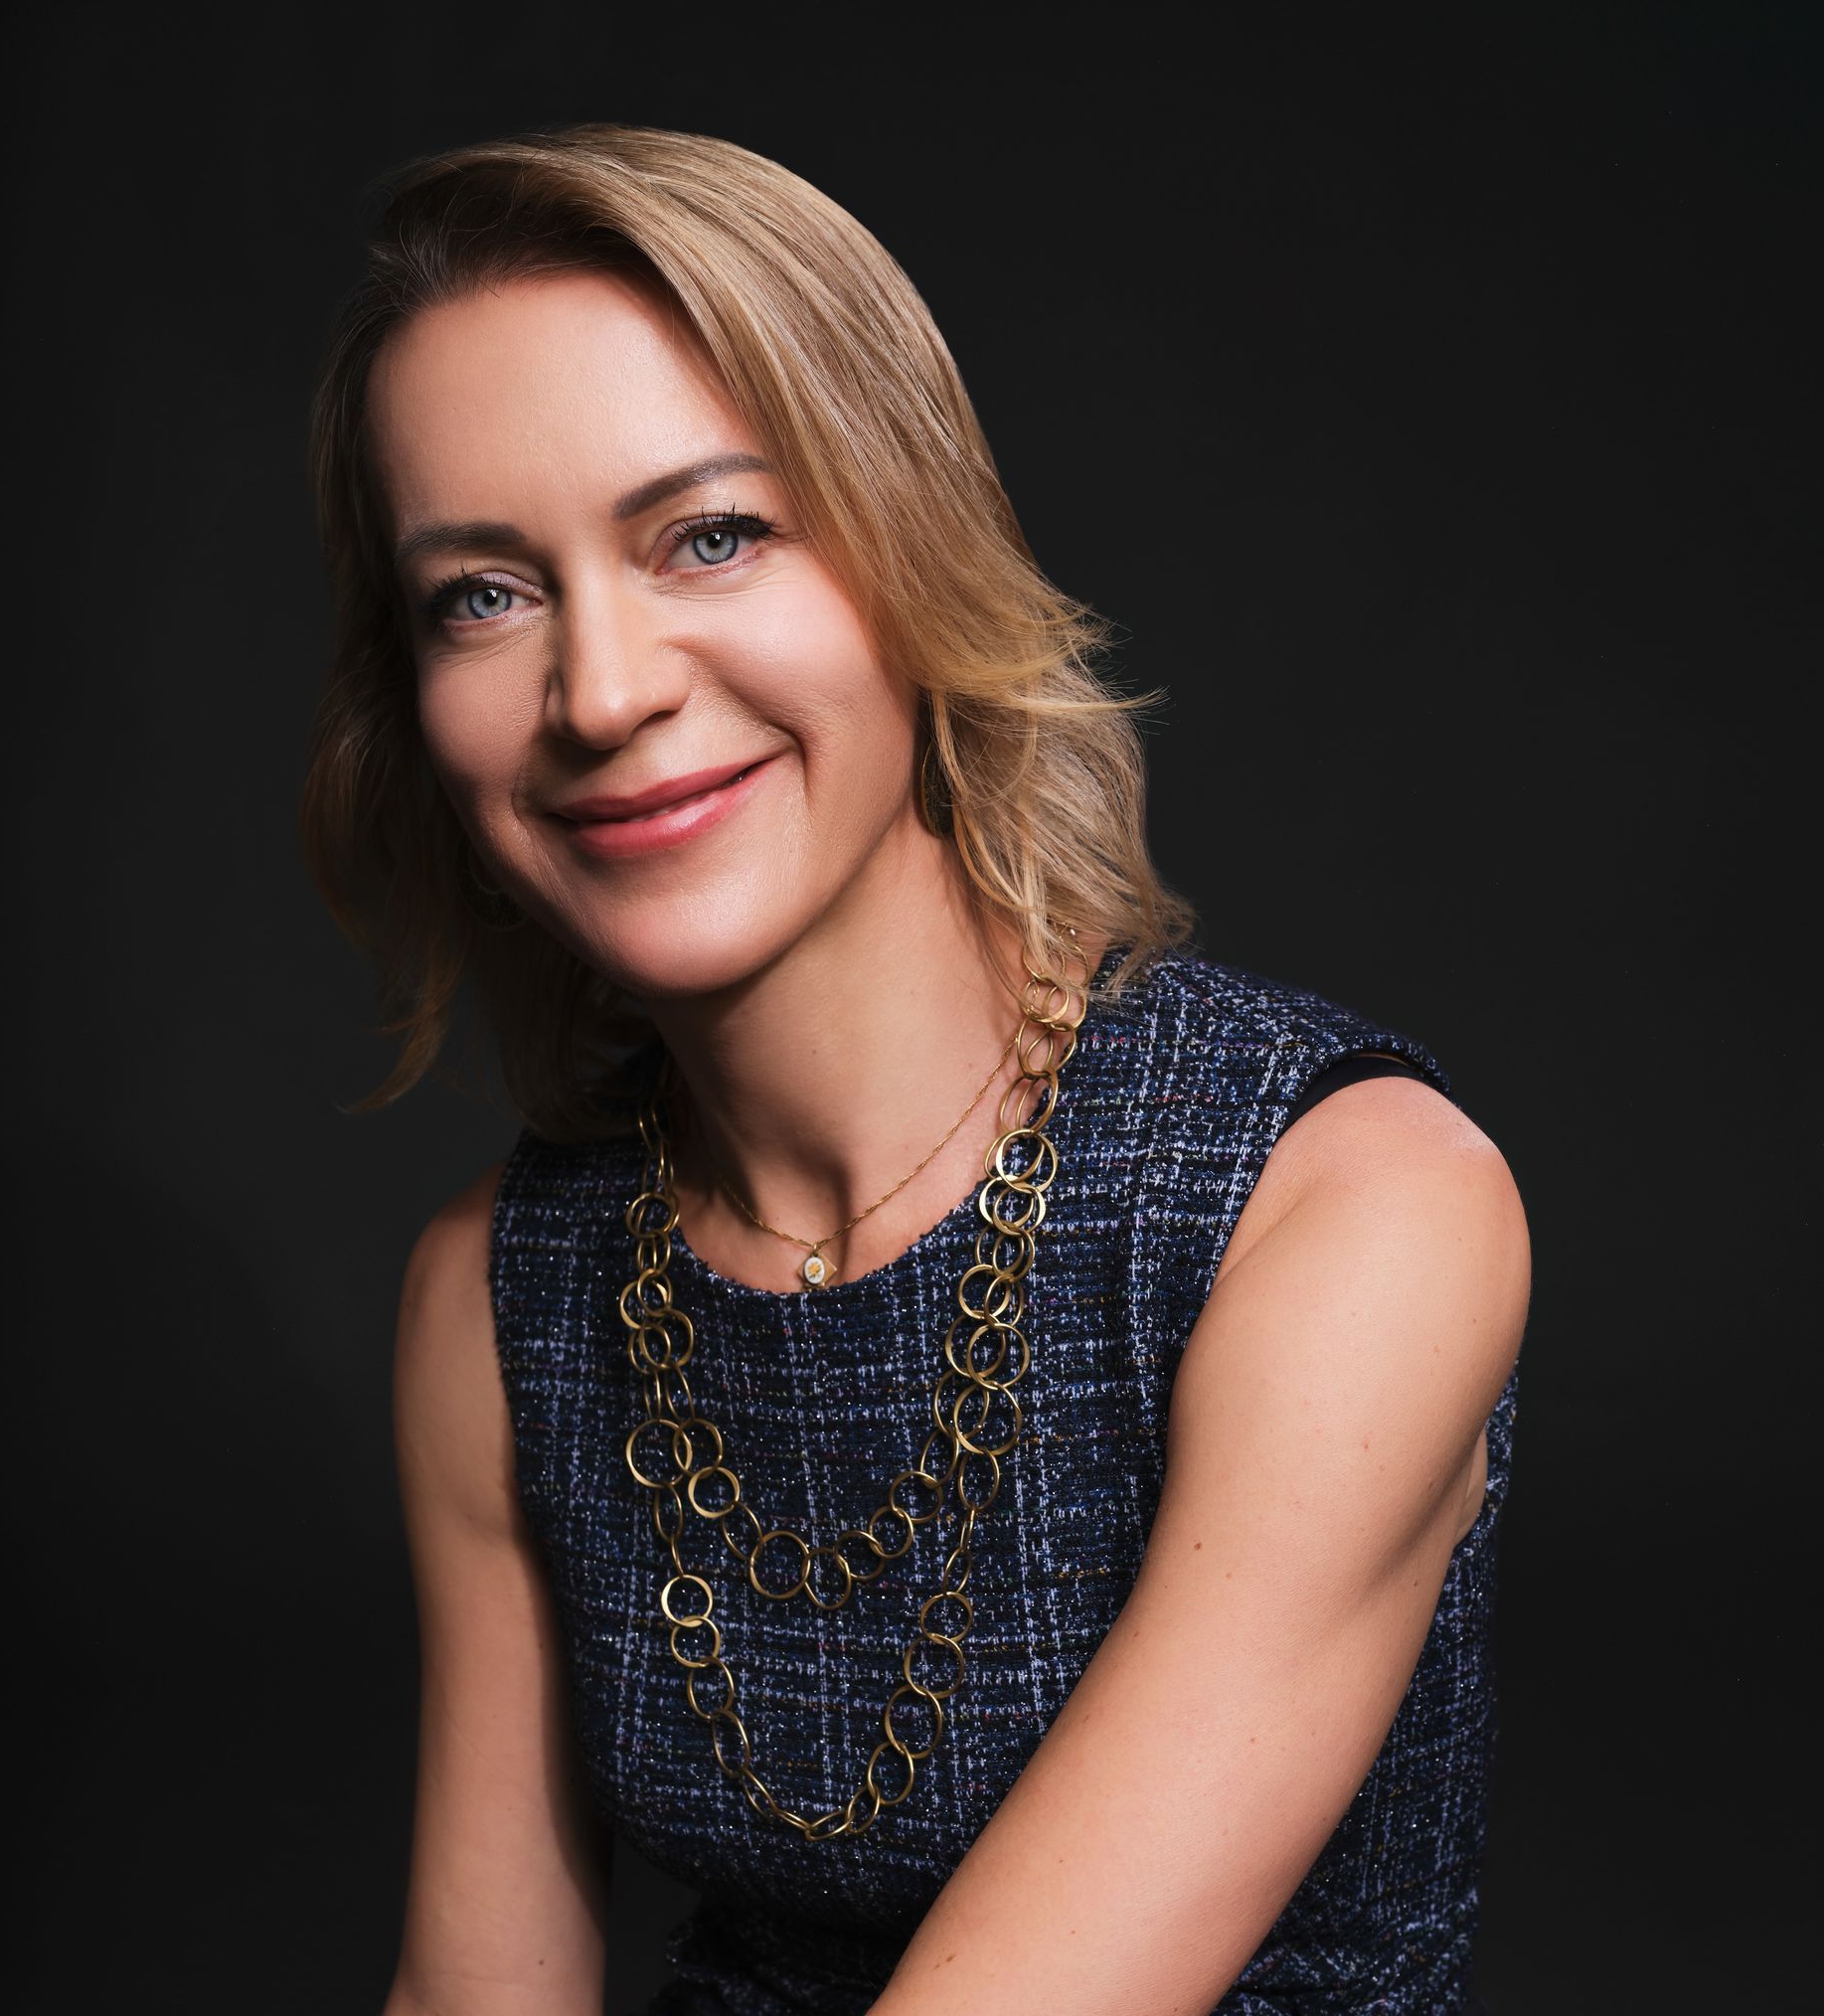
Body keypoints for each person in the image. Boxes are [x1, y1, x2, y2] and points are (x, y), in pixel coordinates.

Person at [301, 122, 1530, 2016]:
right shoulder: (497, 1298)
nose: (604, 691)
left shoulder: (1345, 1208)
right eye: (486, 592)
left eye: (712, 534)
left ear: (911, 549)